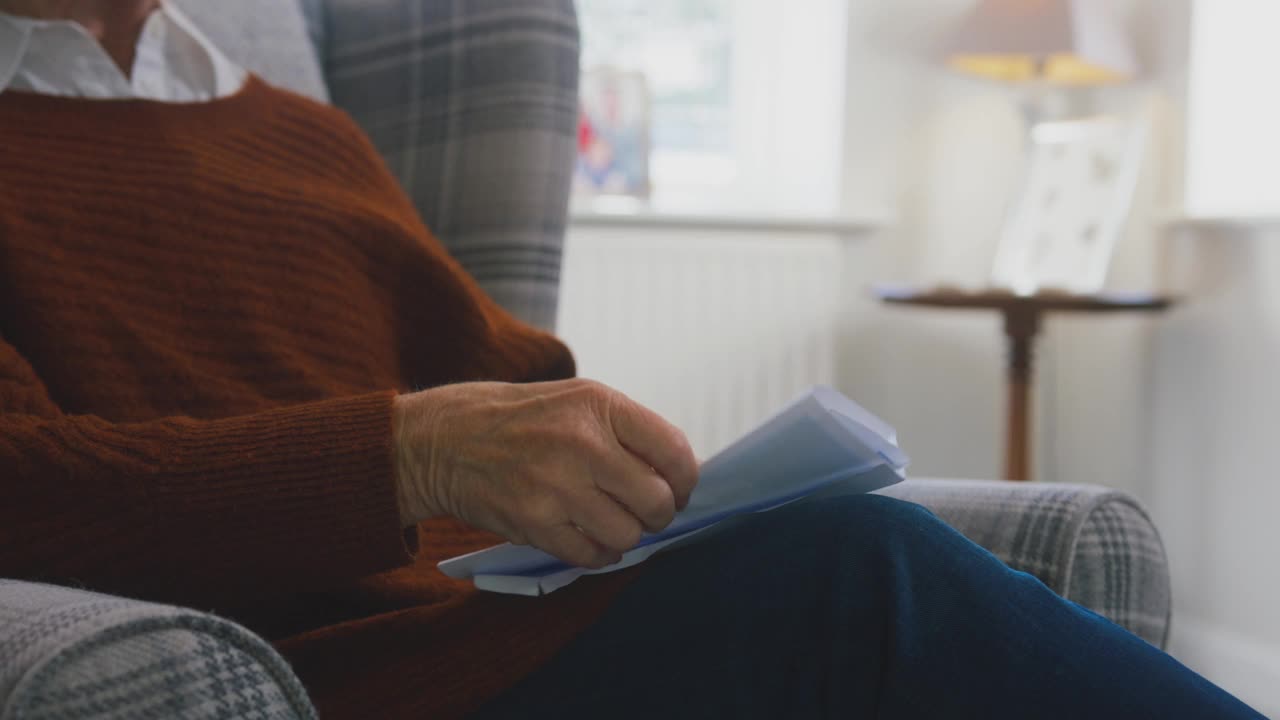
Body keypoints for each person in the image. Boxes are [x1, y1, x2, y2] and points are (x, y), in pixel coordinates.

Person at [0, 2, 1263, 718]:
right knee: (862, 575)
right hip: (314, 676)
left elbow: (519, 385)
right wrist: (412, 449)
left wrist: (635, 482)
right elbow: (27, 483)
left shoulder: (308, 138)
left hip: (508, 624)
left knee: (833, 545)